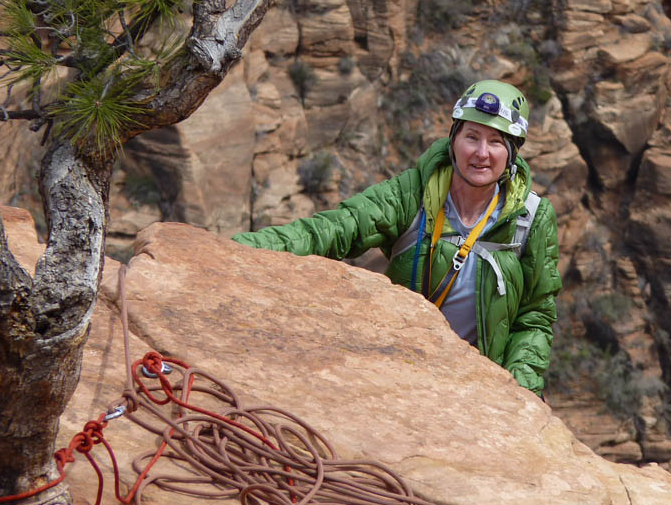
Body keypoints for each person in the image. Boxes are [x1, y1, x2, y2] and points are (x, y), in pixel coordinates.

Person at [232, 80, 561, 395]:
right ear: (453, 138)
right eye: (471, 136)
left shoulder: (530, 220)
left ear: (512, 153)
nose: (481, 153)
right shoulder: (413, 193)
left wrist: (518, 390)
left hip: (479, 384)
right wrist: (237, 251)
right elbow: (335, 228)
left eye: (496, 142)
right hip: (405, 372)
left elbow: (535, 316)